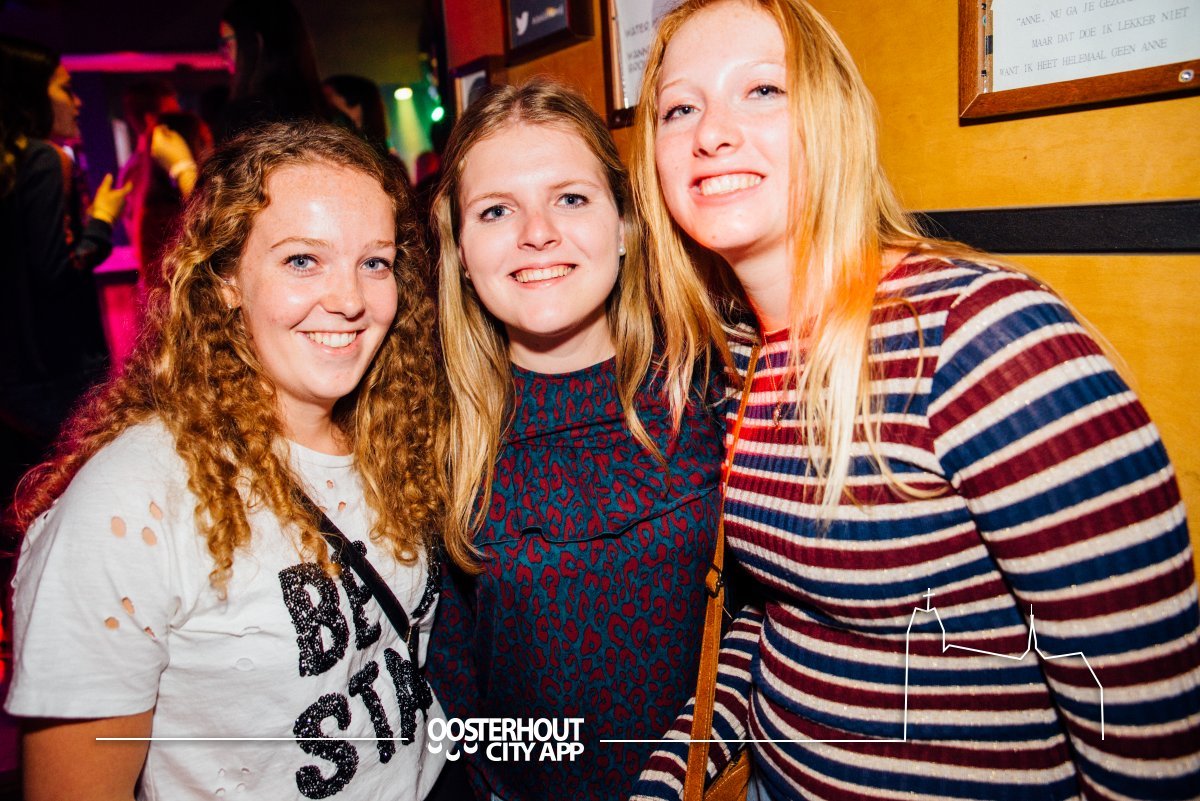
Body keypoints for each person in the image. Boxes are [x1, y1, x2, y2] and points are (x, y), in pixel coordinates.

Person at [628, 1, 1200, 800]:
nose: (711, 133)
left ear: (833, 118)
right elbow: (775, 614)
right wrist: (666, 773)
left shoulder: (984, 339)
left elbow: (1150, 742)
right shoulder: (742, 353)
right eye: (679, 108)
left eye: (763, 90)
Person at [4, 120, 448, 801]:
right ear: (228, 277)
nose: (350, 300)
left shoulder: (394, 436)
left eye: (375, 262)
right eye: (302, 260)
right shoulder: (131, 501)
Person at [425, 79, 723, 801]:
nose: (537, 233)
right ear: (460, 248)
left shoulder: (708, 381)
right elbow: (445, 679)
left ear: (623, 225)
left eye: (570, 198)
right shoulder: (433, 428)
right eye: (496, 210)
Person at [0, 34, 130, 501]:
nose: (77, 103)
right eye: (64, 88)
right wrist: (102, 221)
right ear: (29, 94)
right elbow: (56, 271)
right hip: (57, 370)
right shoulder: (43, 160)